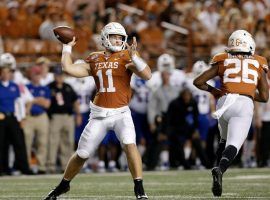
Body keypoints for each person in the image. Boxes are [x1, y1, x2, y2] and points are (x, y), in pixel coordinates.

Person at [44, 22, 151, 200]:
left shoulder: (127, 55)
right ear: (104, 38)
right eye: (114, 36)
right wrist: (66, 47)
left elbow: (147, 75)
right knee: (82, 154)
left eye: (120, 37)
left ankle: (139, 188)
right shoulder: (94, 58)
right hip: (99, 114)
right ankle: (63, 185)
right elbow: (69, 68)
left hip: (121, 113)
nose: (118, 40)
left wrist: (136, 58)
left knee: (129, 143)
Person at [193, 29, 269, 197]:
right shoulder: (259, 61)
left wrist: (215, 92)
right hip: (244, 103)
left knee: (224, 138)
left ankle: (216, 168)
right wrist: (248, 91)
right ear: (250, 44)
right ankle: (219, 170)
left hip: (224, 102)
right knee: (233, 145)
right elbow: (264, 97)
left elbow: (198, 82)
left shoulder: (223, 59)